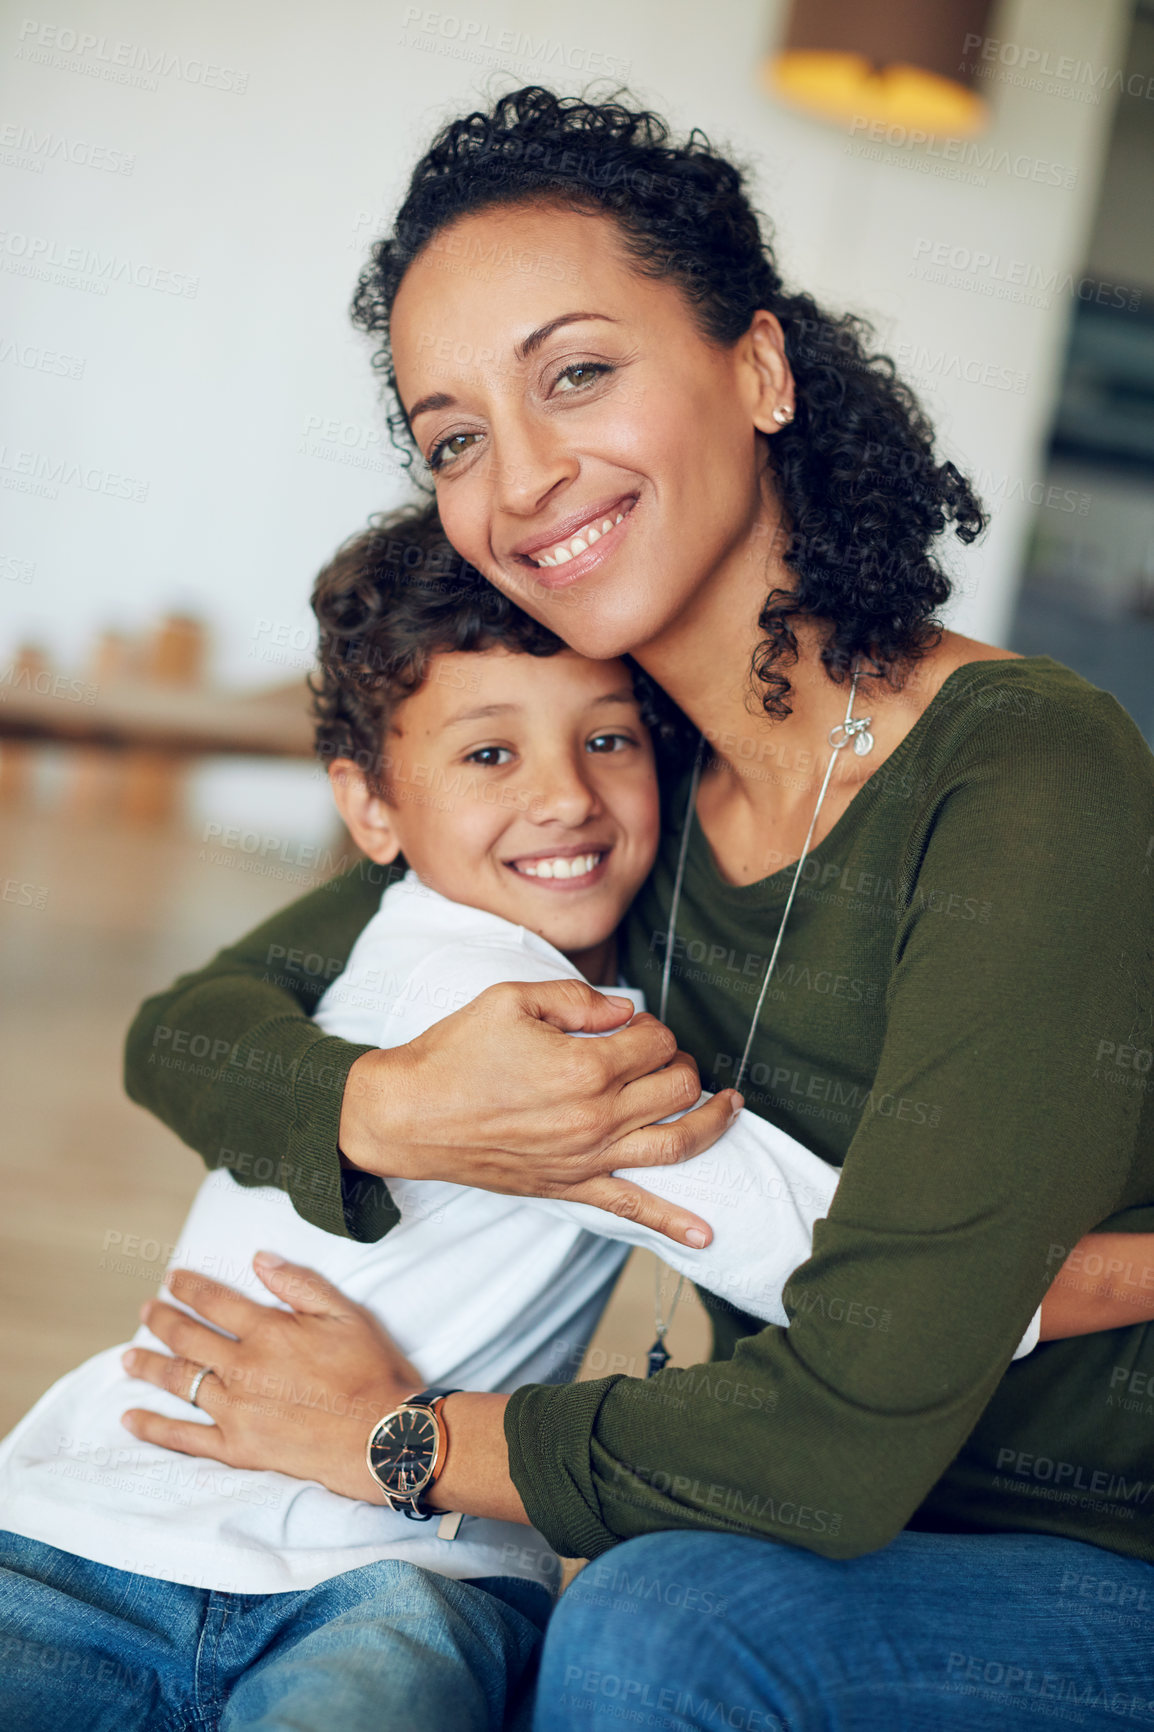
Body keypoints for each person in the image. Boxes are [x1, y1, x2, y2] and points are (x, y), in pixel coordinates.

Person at [119, 88, 1154, 1726]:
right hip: (815, 1515)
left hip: (1095, 1548)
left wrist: (404, 1438)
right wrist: (388, 1104)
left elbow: (835, 1430)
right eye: (453, 434)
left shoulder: (1021, 774)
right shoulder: (616, 782)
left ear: (755, 367)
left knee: (658, 1628)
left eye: (574, 373)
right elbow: (189, 1033)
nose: (518, 477)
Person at [4, 505, 1053, 1731]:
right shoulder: (560, 1042)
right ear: (369, 808)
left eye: (606, 738)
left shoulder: (462, 925)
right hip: (163, 1533)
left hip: (304, 1563)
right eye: (488, 755)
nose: (563, 796)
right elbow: (866, 1268)